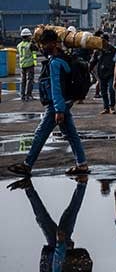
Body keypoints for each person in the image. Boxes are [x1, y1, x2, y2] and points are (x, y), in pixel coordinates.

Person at [8, 177, 105, 272]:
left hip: (62, 249)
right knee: (49, 217)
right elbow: (57, 267)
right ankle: (29, 188)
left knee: (65, 215)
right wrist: (60, 245)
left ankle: (81, 184)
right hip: (58, 247)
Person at [7, 29, 89, 177]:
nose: (43, 47)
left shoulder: (56, 63)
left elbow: (56, 87)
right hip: (66, 100)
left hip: (57, 103)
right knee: (71, 134)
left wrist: (58, 110)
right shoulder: (64, 56)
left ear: (53, 43)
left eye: (45, 44)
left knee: (41, 133)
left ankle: (27, 165)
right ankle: (82, 164)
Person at [90, 33, 116, 114]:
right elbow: (93, 61)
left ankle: (112, 106)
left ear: (107, 41)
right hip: (101, 74)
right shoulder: (97, 51)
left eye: (104, 40)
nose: (102, 42)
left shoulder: (113, 50)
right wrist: (89, 69)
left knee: (111, 90)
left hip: (111, 73)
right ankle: (106, 108)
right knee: (103, 92)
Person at [16, 27, 37, 102]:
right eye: (30, 36)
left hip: (22, 65)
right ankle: (28, 95)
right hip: (29, 65)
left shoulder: (19, 45)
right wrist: (33, 42)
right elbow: (36, 49)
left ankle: (22, 95)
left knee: (23, 81)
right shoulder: (30, 45)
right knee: (30, 80)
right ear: (28, 36)